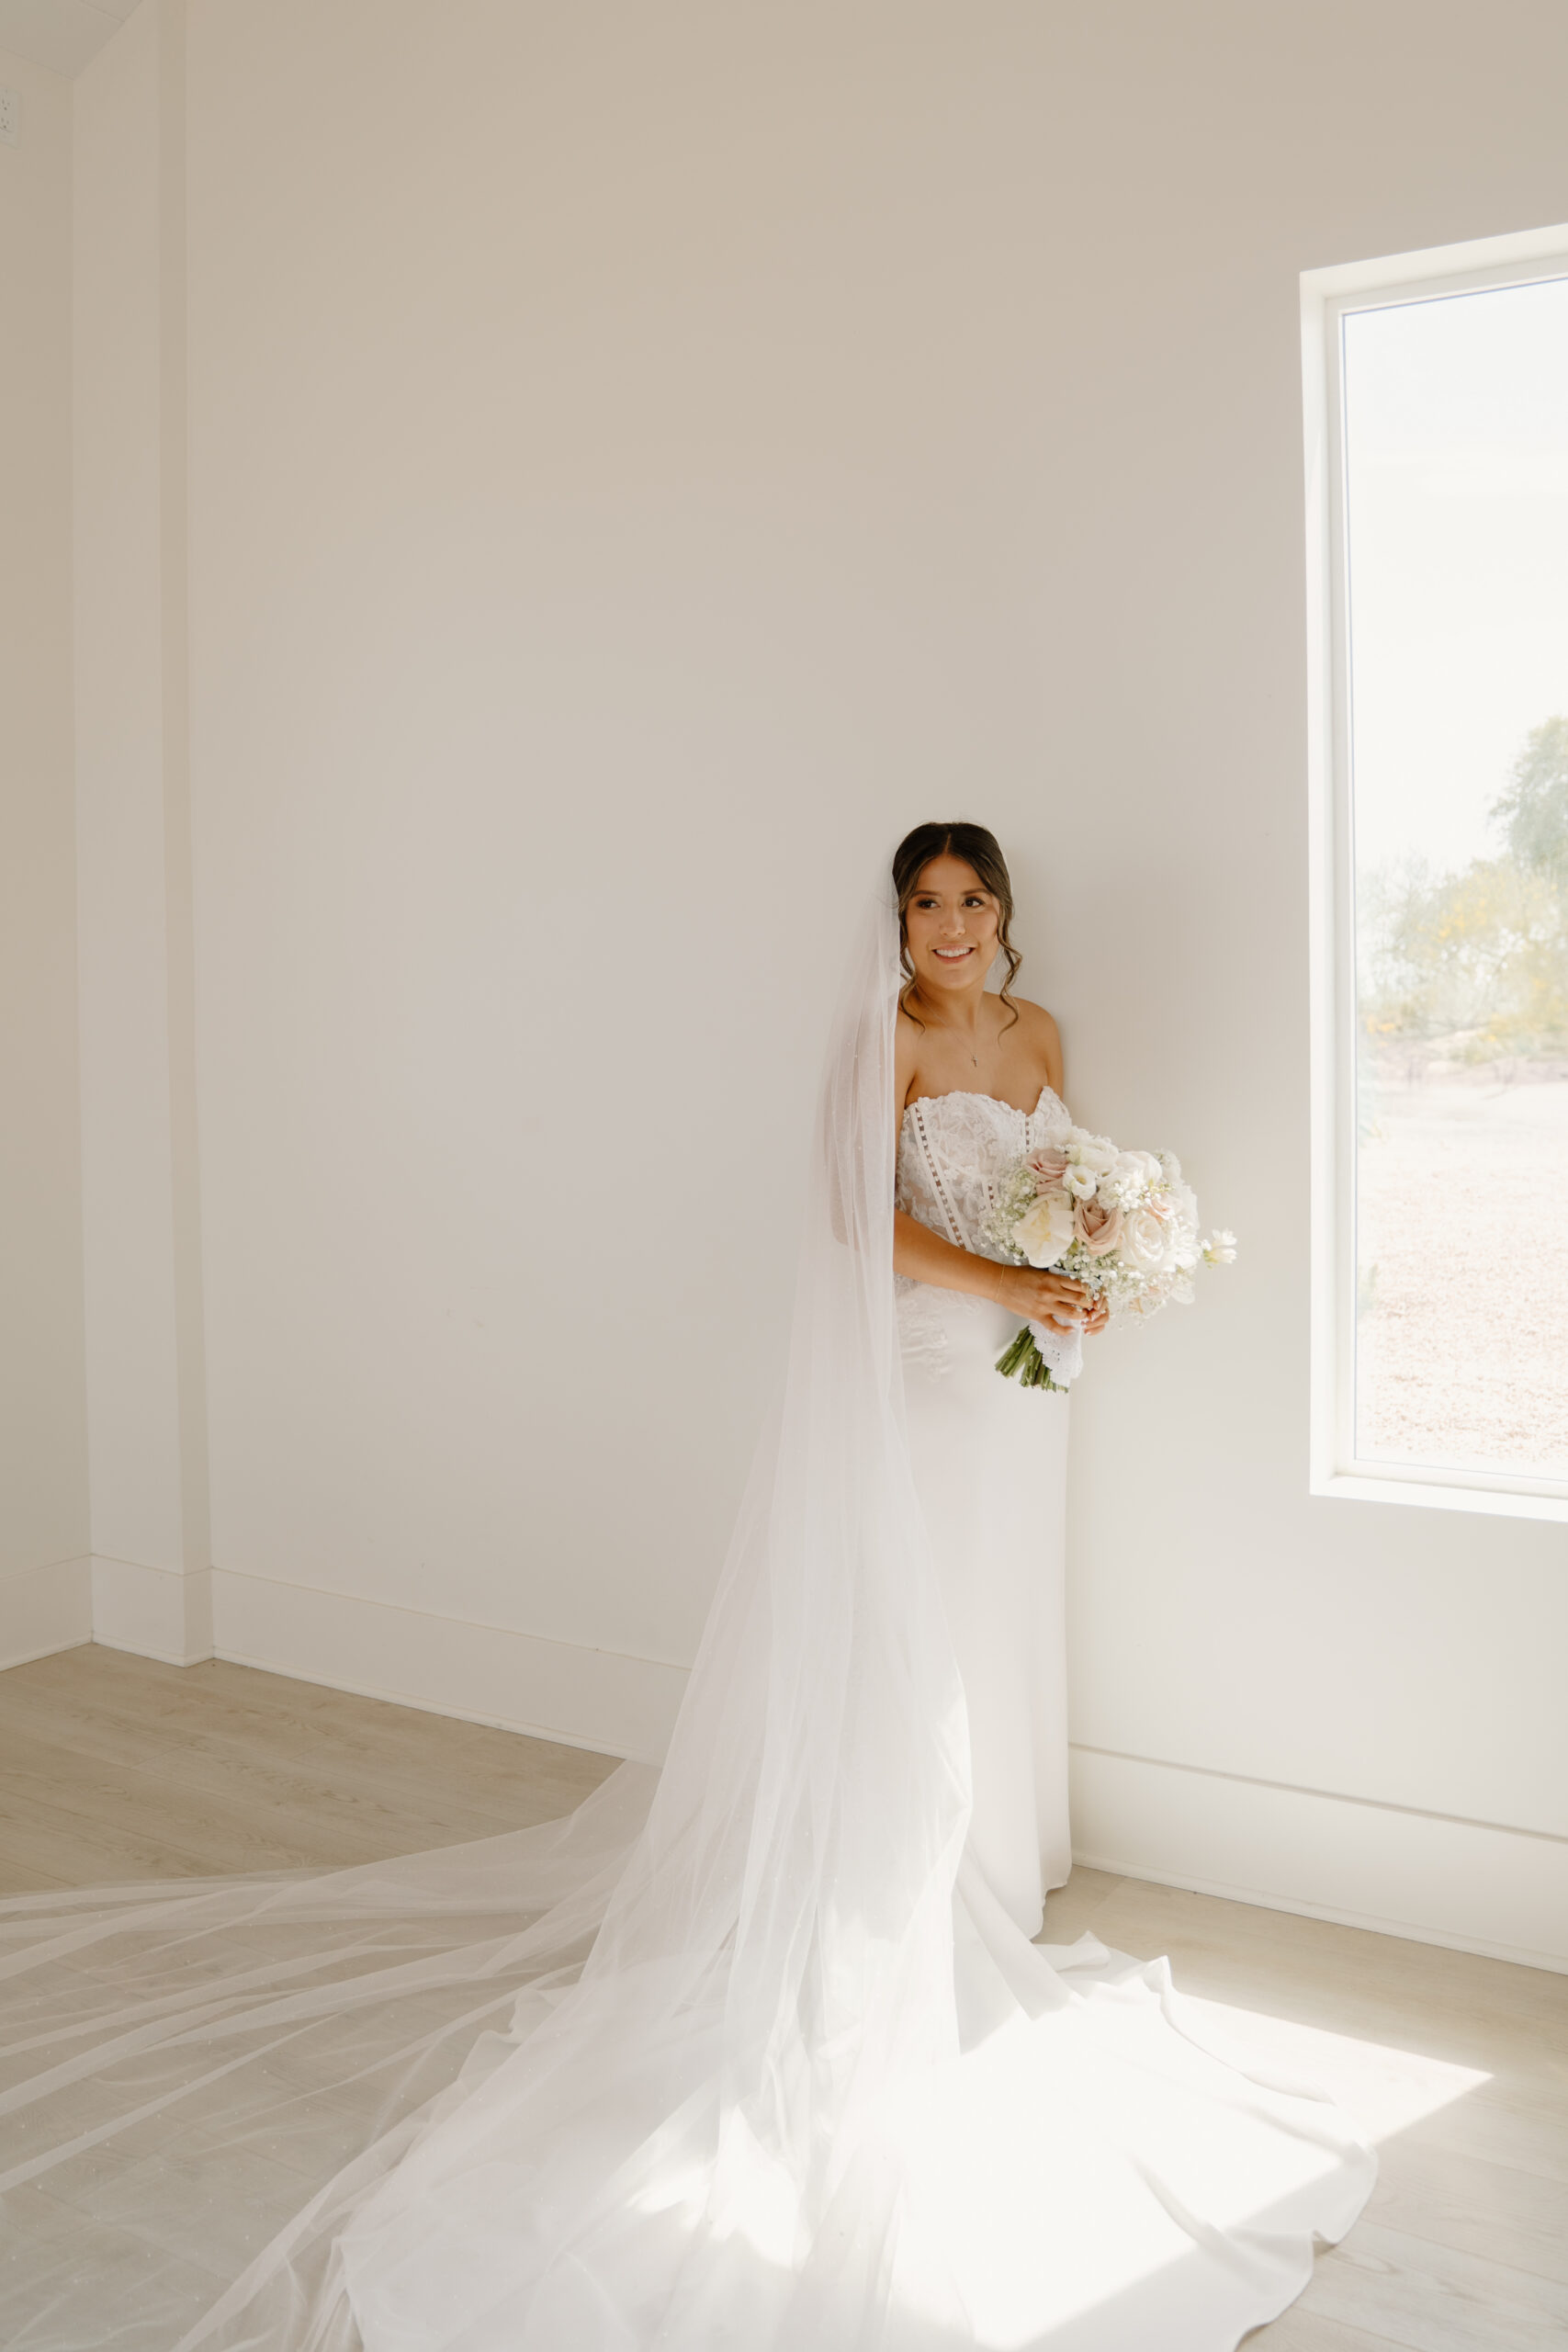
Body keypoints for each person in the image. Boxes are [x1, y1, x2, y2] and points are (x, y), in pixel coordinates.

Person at [0, 826, 1374, 2352]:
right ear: (898, 924)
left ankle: (998, 1857)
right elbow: (864, 1223)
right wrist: (1011, 1281)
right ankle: (896, 1873)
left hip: (1029, 1384)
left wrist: (1092, 1265)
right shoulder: (881, 1042)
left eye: (974, 900)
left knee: (1000, 1619)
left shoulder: (1040, 1033)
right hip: (932, 1370)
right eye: (927, 904)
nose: (953, 926)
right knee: (920, 1628)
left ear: (1006, 913)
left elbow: (1059, 1180)